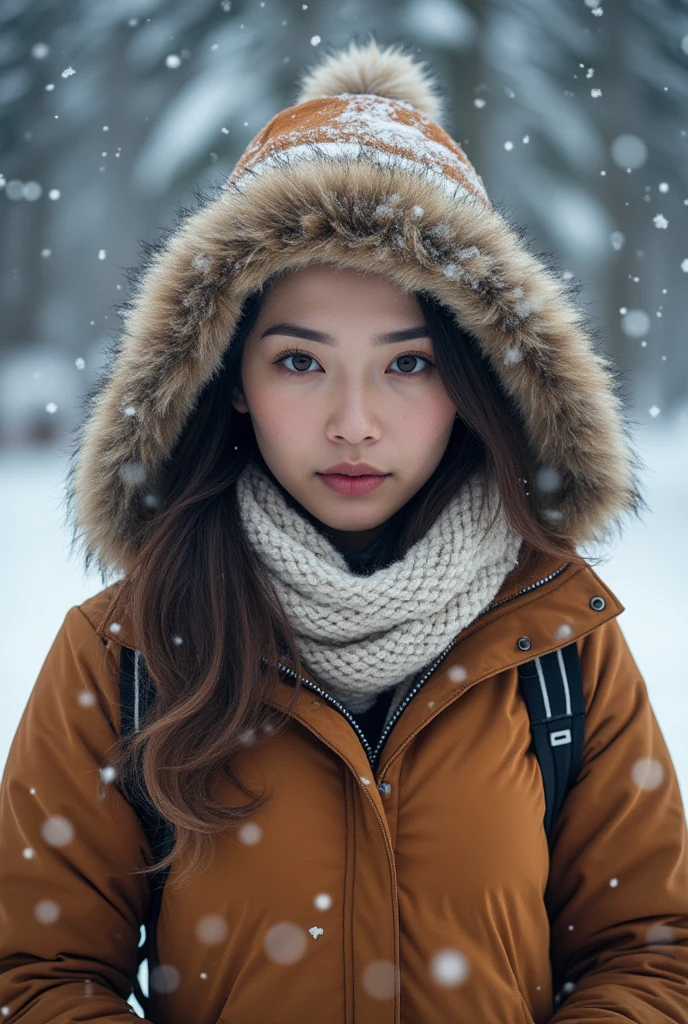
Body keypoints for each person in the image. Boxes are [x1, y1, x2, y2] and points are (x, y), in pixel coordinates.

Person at [1, 34, 687, 1024]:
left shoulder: (559, 644)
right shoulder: (125, 655)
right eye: (298, 361)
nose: (353, 421)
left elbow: (651, 957)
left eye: (406, 363)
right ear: (228, 380)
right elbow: (36, 979)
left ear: (474, 380)